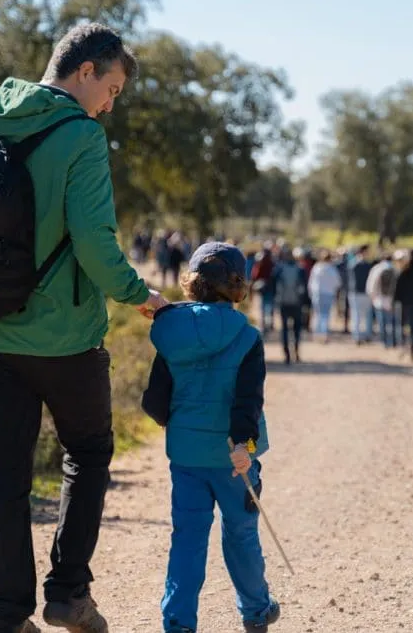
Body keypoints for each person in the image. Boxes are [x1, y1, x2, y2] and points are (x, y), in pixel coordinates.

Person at [0, 23, 169, 633]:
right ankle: (68, 595)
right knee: (90, 452)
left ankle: (6, 609)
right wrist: (137, 293)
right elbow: (94, 241)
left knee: (8, 469)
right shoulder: (80, 135)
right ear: (86, 71)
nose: (111, 104)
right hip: (66, 336)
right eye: (113, 88)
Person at [140, 242, 281, 633]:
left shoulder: (169, 330)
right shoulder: (247, 336)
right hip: (233, 459)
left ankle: (178, 622)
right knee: (240, 533)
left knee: (187, 538)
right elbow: (248, 399)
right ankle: (256, 611)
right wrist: (241, 444)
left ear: (194, 282)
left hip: (186, 455)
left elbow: (155, 399)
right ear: (237, 285)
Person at [272, 248, 307, 364]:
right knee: (297, 329)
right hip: (297, 303)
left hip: (283, 303)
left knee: (285, 330)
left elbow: (272, 285)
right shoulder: (300, 269)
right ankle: (296, 353)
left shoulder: (279, 269)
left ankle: (286, 355)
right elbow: (305, 288)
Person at [308, 251, 342, 343]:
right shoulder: (331, 269)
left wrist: (310, 292)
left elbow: (311, 282)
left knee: (318, 314)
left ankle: (317, 334)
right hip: (328, 293)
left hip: (317, 293)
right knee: (325, 315)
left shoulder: (317, 267)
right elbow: (338, 282)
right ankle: (324, 335)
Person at [366, 253, 398, 348]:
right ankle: (393, 341)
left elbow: (371, 284)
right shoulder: (395, 269)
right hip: (391, 299)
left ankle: (384, 341)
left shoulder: (377, 269)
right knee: (391, 321)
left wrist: (372, 296)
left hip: (379, 299)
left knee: (382, 321)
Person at [349, 245, 374, 344]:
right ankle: (357, 336)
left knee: (365, 316)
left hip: (364, 293)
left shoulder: (364, 264)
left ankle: (365, 335)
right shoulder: (355, 264)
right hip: (356, 293)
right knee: (357, 316)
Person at [250, 247, 276, 333]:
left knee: (264, 307)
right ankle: (270, 324)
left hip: (264, 289)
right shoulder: (272, 263)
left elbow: (255, 275)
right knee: (270, 307)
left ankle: (264, 324)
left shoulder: (260, 262)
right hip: (270, 288)